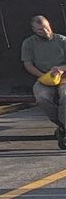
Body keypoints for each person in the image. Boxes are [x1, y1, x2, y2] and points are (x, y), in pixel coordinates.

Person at [21, 14, 66, 149]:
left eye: (46, 28)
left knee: (65, 97)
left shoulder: (62, 40)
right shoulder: (28, 43)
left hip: (63, 76)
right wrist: (43, 77)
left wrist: (61, 69)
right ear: (34, 30)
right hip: (43, 77)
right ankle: (62, 125)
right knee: (42, 98)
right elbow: (28, 65)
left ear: (49, 25)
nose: (45, 32)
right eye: (40, 30)